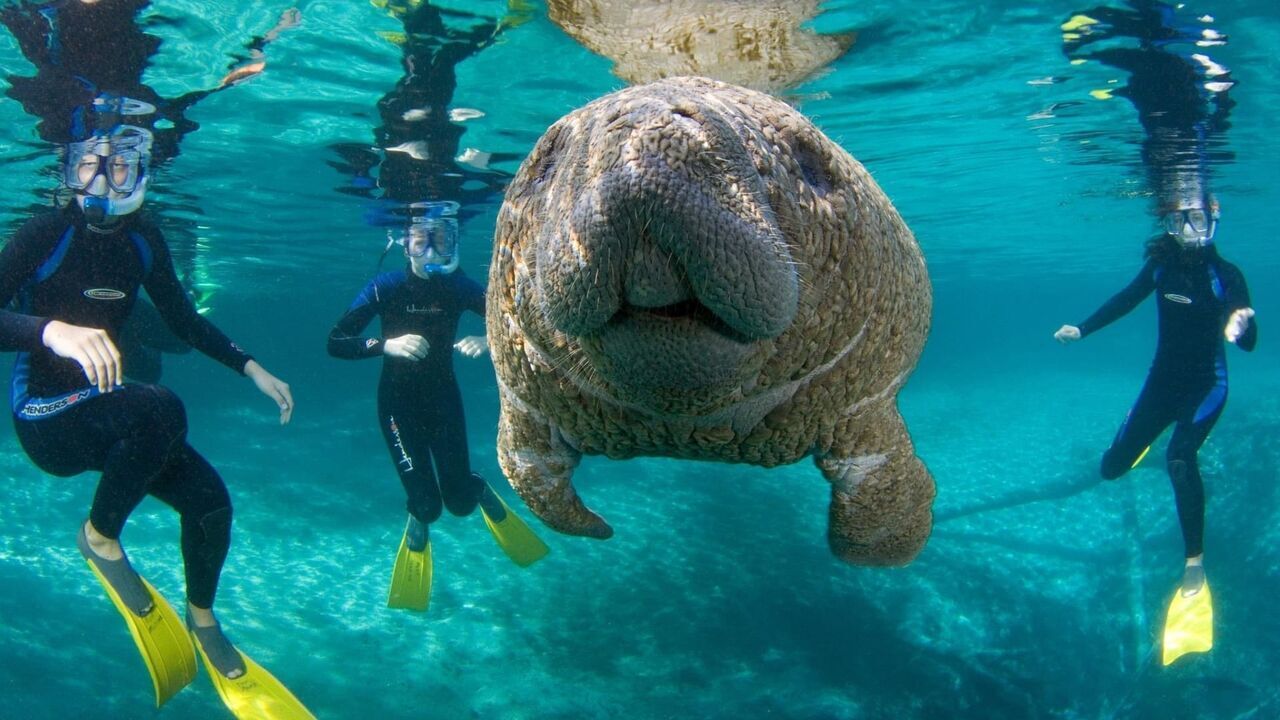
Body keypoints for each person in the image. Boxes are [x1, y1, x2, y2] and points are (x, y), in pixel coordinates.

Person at [0, 116, 311, 715]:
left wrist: (250, 366)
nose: (101, 179)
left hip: (107, 415)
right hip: (43, 417)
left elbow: (183, 320)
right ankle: (100, 537)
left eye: (118, 165)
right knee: (160, 405)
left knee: (211, 502)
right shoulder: (44, 233)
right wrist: (50, 331)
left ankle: (203, 619)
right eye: (87, 163)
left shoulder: (144, 241)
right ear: (67, 168)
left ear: (142, 173)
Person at [327, 200, 547, 612]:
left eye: (441, 240)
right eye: (420, 241)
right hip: (396, 406)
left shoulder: (458, 287)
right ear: (402, 242)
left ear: (454, 243)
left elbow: (517, 322)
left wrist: (489, 340)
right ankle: (418, 513)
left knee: (460, 503)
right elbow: (336, 342)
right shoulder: (385, 287)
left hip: (444, 400)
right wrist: (385, 345)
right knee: (428, 506)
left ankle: (475, 487)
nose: (430, 250)